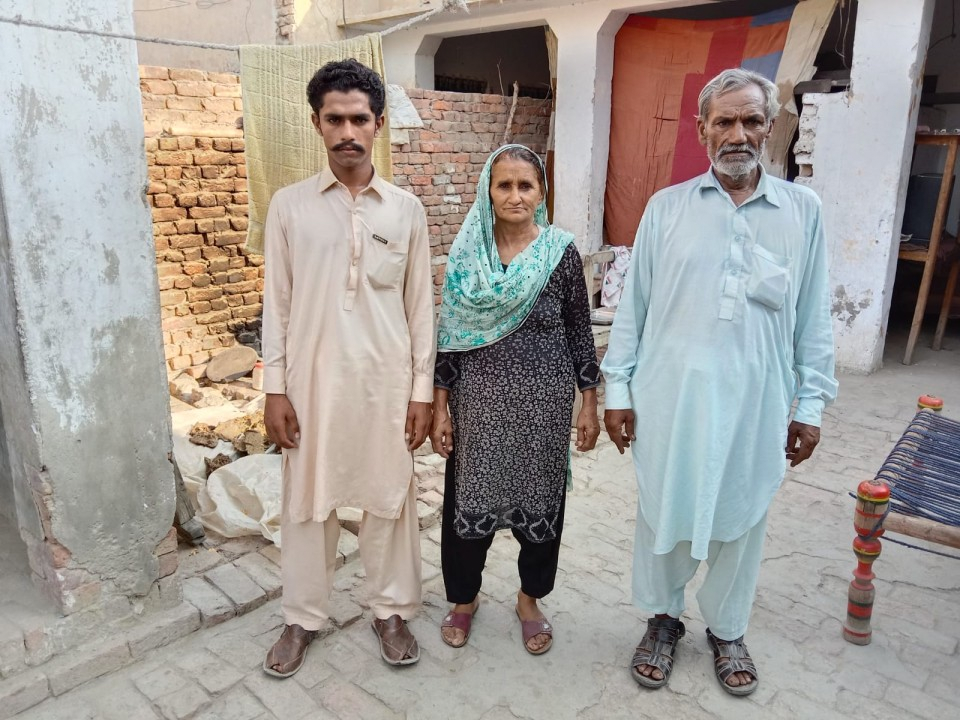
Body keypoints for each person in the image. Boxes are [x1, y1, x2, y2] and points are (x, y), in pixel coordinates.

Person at [601, 68, 837, 696]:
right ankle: (662, 618)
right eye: (724, 121)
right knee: (665, 509)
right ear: (702, 129)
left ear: (770, 126)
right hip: (670, 397)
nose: (738, 133)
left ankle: (727, 628)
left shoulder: (802, 212)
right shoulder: (667, 208)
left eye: (751, 120)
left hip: (757, 402)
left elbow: (813, 317)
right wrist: (617, 391)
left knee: (744, 512)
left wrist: (810, 403)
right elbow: (635, 311)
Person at [260, 59, 435, 677]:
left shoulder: (406, 210)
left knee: (389, 496)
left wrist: (422, 391)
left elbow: (420, 309)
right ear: (317, 124)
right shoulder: (289, 207)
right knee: (309, 502)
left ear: (379, 123)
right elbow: (275, 305)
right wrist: (273, 389)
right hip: (310, 385)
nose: (347, 132)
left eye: (359, 118)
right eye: (334, 119)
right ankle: (303, 616)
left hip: (386, 385)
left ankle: (389, 608)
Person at [431, 144, 601, 655]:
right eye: (503, 184)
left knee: (541, 506)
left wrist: (588, 401)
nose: (514, 195)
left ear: (541, 192)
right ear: (488, 190)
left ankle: (529, 599)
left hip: (543, 409)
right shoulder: (467, 256)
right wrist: (440, 404)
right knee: (466, 509)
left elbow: (578, 329)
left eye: (525, 185)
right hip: (477, 409)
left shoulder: (560, 251)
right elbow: (450, 334)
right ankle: (464, 599)